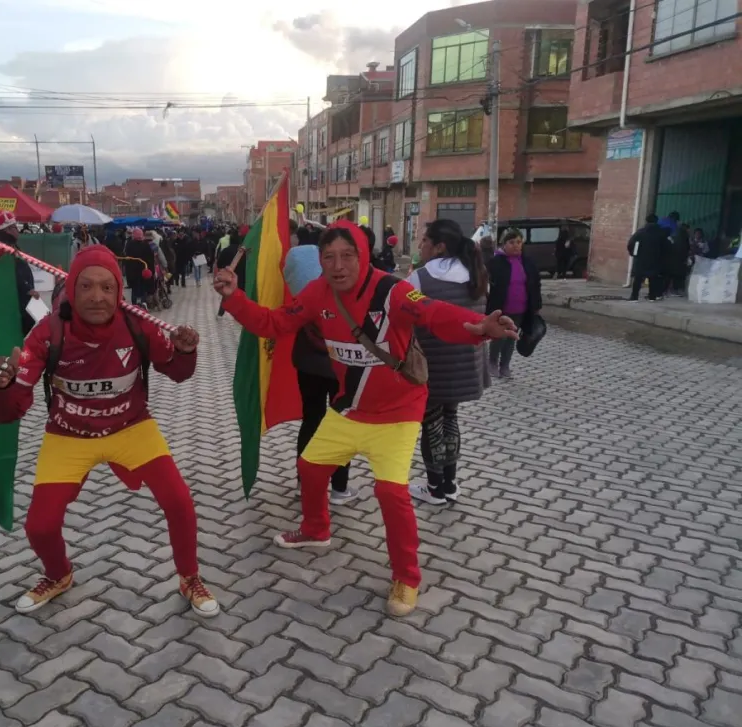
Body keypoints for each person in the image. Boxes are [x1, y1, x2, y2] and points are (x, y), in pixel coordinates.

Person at [213, 221, 517, 616]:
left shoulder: (392, 290)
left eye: (347, 256)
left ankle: (406, 578)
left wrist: (477, 327)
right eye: (329, 258)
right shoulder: (317, 293)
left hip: (399, 412)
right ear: (319, 261)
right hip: (350, 409)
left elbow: (432, 313)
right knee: (310, 466)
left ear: (363, 256)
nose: (338, 266)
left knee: (391, 494)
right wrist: (234, 297)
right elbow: (274, 324)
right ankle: (316, 528)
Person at [0, 246, 220, 617]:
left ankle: (189, 577)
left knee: (179, 501)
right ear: (71, 292)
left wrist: (185, 352)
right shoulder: (48, 332)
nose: (97, 297)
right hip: (68, 435)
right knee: (39, 526)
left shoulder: (137, 324)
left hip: (131, 427)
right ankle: (59, 574)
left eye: (107, 288)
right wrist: (1, 386)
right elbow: (8, 411)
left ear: (119, 292)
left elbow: (176, 372)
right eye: (87, 287)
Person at [407, 220, 490, 506]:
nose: (421, 246)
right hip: (466, 363)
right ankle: (451, 483)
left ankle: (434, 488)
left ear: (439, 246)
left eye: (425, 241)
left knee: (431, 424)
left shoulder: (421, 278)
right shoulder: (477, 273)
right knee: (451, 419)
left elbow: (404, 316)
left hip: (432, 365)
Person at [284, 243, 361, 506]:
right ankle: (339, 487)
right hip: (340, 364)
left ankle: (303, 481)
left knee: (311, 420)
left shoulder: (305, 291)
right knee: (340, 424)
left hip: (308, 362)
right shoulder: (344, 289)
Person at [487, 228, 542, 379]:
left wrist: (536, 305)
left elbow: (535, 284)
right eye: (511, 242)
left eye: (519, 242)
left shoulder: (527, 262)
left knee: (512, 337)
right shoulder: (496, 262)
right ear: (503, 244)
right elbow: (488, 286)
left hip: (521, 308)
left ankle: (505, 365)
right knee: (499, 337)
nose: (516, 245)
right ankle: (492, 362)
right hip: (501, 308)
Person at [0, 211, 39, 338]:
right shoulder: (3, 247)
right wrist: (27, 289)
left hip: (18, 297)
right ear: (8, 230)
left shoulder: (9, 245)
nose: (18, 231)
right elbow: (9, 271)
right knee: (21, 324)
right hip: (15, 298)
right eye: (15, 227)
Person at [627, 214, 669, 302]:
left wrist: (634, 254)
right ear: (656, 221)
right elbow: (666, 247)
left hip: (640, 260)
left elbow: (631, 244)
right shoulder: (661, 233)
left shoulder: (640, 232)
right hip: (655, 260)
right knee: (653, 279)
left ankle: (634, 297)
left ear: (646, 221)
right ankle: (652, 297)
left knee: (638, 279)